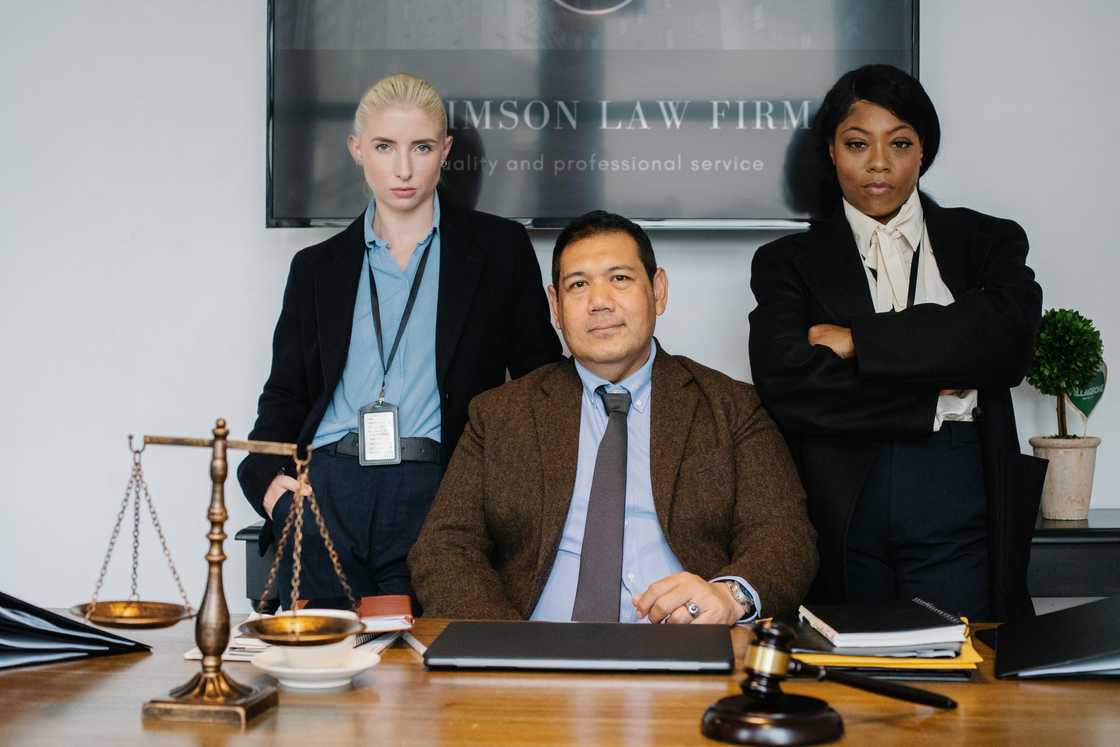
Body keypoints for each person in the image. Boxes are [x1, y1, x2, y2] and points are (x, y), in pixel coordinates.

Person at [238, 73, 562, 607]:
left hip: (441, 491)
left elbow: (539, 384)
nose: (404, 168)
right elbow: (283, 399)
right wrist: (267, 487)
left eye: (422, 147)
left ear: (446, 151)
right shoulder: (316, 269)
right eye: (385, 147)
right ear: (357, 150)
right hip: (326, 493)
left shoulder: (498, 249)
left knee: (432, 673)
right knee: (330, 672)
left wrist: (495, 495)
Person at [409, 211, 817, 624]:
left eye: (619, 279)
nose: (599, 302)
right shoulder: (499, 415)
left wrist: (729, 596)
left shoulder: (730, 407)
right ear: (555, 305)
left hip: (685, 649)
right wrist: (510, 646)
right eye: (578, 285)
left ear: (658, 290)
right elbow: (445, 546)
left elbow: (784, 535)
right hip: (536, 656)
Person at [749, 64, 1046, 622]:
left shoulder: (986, 241)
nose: (879, 163)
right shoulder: (785, 262)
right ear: (832, 152)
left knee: (963, 674)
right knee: (847, 681)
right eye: (857, 143)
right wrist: (940, 387)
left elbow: (1004, 344)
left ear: (923, 151)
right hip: (838, 500)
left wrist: (857, 340)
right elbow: (790, 384)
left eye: (900, 143)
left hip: (958, 487)